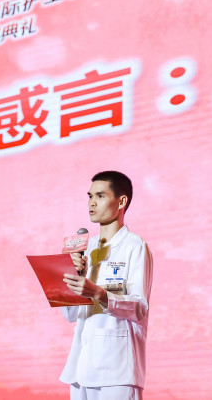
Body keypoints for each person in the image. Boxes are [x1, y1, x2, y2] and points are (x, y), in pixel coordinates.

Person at [61, 171, 153, 400]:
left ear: (121, 202)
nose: (92, 203)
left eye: (100, 196)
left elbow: (139, 308)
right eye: (90, 196)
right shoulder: (85, 248)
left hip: (117, 368)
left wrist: (99, 294)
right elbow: (71, 315)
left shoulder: (134, 246)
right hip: (80, 367)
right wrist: (72, 282)